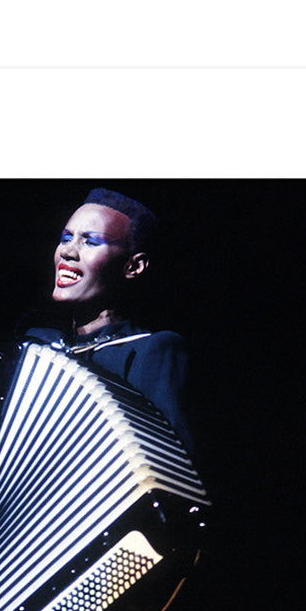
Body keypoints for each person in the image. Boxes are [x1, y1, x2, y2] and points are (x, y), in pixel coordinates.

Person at [22, 188, 195, 455]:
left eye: (91, 242)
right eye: (66, 238)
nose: (68, 251)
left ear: (133, 267)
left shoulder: (151, 352)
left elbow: (171, 464)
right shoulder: (35, 345)